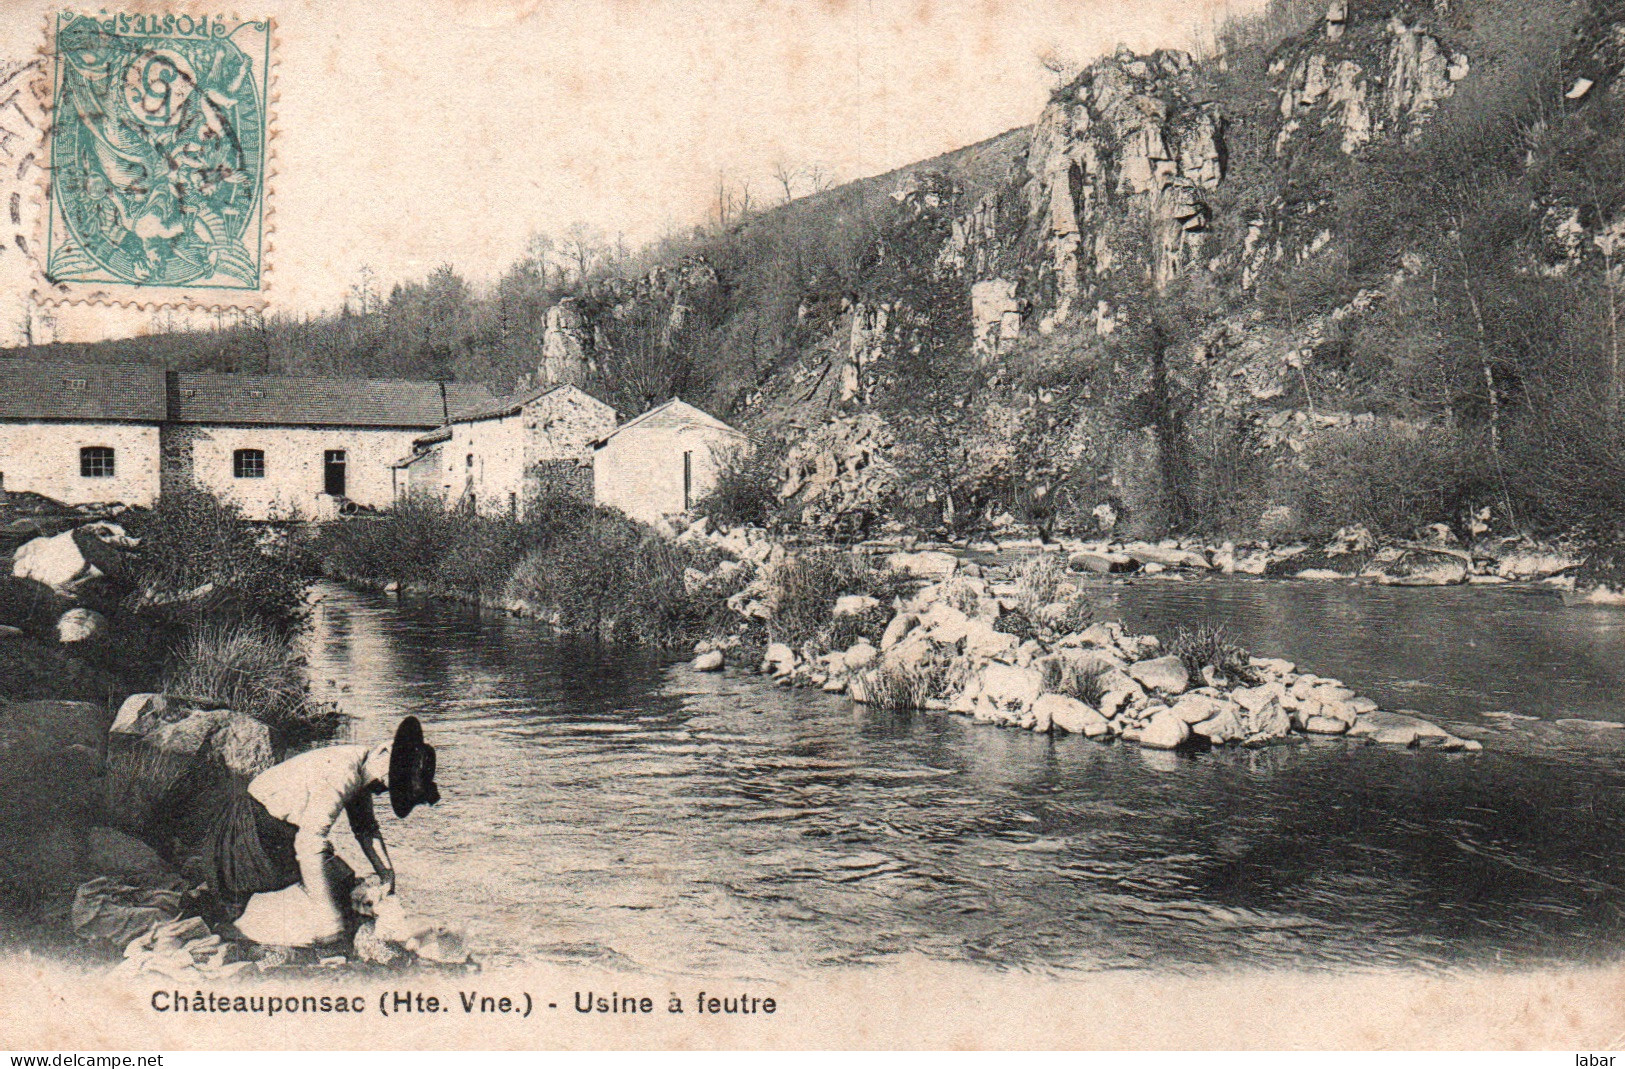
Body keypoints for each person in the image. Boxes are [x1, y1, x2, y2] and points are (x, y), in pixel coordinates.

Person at [208, 716, 440, 944]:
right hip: (250, 830)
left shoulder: (362, 767)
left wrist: (387, 875)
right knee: (336, 900)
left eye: (392, 788)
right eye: (390, 781)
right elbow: (309, 843)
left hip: (279, 831)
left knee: (347, 890)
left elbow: (366, 829)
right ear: (383, 752)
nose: (383, 790)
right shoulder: (344, 773)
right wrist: (326, 914)